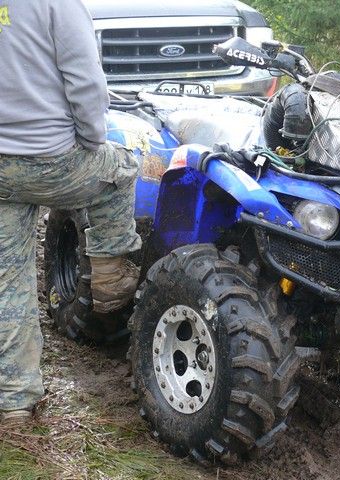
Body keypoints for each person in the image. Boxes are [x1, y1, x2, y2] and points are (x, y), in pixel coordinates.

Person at [0, 0, 141, 424]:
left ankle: (15, 401)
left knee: (9, 278)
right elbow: (85, 81)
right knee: (122, 168)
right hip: (52, 158)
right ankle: (109, 273)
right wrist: (93, 139)